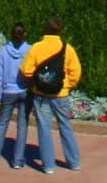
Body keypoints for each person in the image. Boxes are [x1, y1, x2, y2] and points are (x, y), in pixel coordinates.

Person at [19, 16, 82, 174]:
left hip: (40, 94)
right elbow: (76, 72)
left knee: (44, 127)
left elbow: (26, 70)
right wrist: (68, 85)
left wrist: (35, 81)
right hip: (60, 94)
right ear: (60, 30)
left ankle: (48, 165)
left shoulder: (36, 47)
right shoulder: (67, 48)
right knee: (65, 126)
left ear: (45, 29)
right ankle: (73, 162)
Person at [0, 23, 32, 167]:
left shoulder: (4, 51)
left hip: (8, 91)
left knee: (2, 124)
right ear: (24, 34)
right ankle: (17, 160)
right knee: (22, 125)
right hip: (24, 90)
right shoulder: (29, 50)